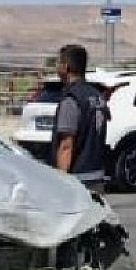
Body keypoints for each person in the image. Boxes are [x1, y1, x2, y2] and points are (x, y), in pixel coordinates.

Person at [51, 43, 110, 193]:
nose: (56, 67)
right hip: (97, 175)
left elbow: (66, 145)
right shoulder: (97, 95)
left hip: (78, 180)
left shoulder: (72, 99)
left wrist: (61, 181)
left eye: (58, 63)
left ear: (66, 67)